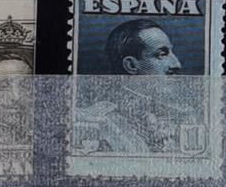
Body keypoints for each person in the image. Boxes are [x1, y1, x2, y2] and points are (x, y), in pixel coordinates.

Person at [77, 16, 201, 156]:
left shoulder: (184, 114)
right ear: (131, 65)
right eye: (162, 55)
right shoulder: (98, 120)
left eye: (171, 52)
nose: (177, 64)